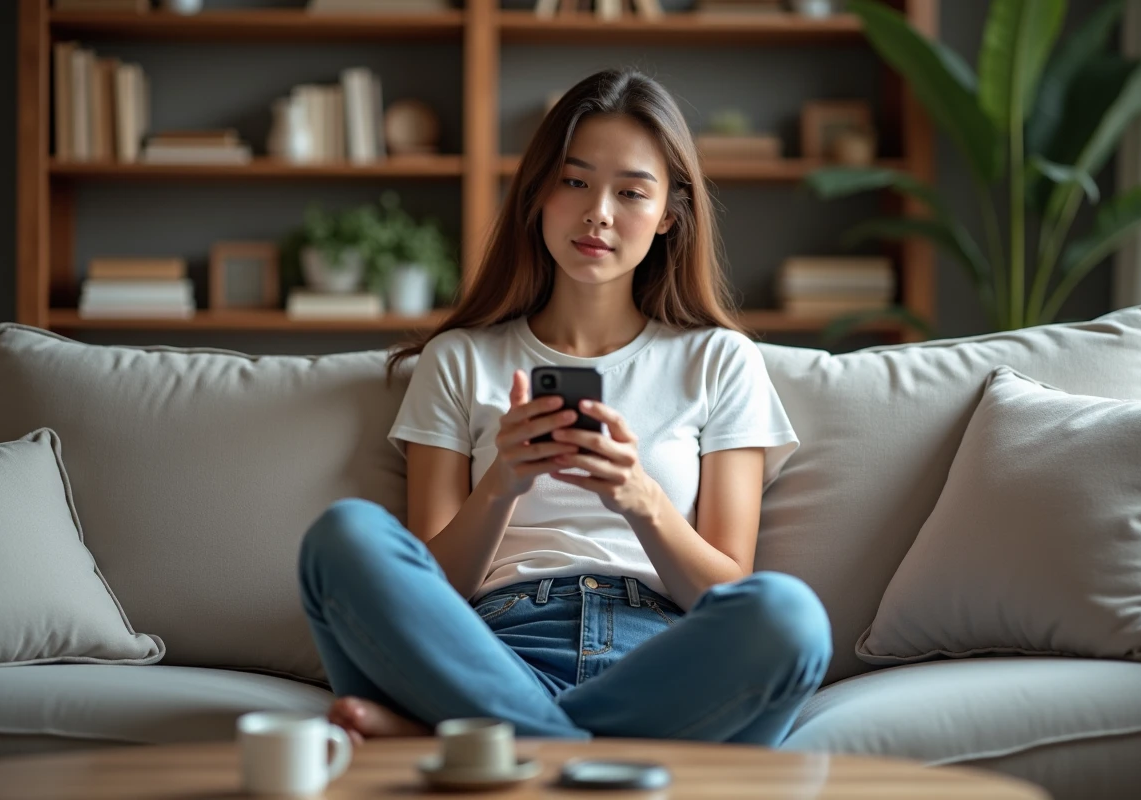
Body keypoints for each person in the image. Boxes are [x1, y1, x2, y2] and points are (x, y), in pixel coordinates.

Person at [298, 68, 832, 748]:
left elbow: (726, 591)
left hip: (663, 665)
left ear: (670, 213)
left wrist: (641, 499)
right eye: (574, 182)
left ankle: (487, 746)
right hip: (486, 657)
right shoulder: (460, 359)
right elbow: (432, 589)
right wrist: (502, 485)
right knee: (343, 538)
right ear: (538, 194)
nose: (598, 213)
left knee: (790, 617)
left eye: (631, 191)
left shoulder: (720, 360)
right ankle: (569, 753)